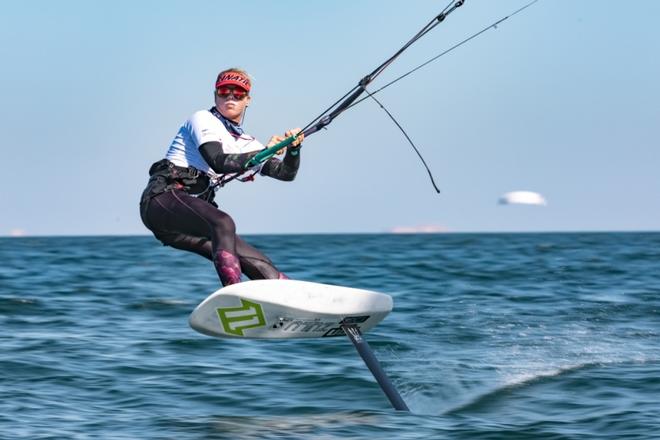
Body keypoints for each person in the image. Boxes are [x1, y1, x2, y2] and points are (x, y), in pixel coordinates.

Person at [139, 68, 303, 286]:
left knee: (262, 265)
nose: (231, 97)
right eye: (224, 91)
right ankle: (234, 297)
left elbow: (285, 174)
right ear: (216, 95)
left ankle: (290, 303)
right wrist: (265, 151)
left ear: (248, 100)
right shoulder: (203, 119)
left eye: (238, 93)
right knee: (224, 222)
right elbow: (218, 160)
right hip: (162, 202)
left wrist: (293, 149)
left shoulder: (246, 142)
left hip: (190, 220)